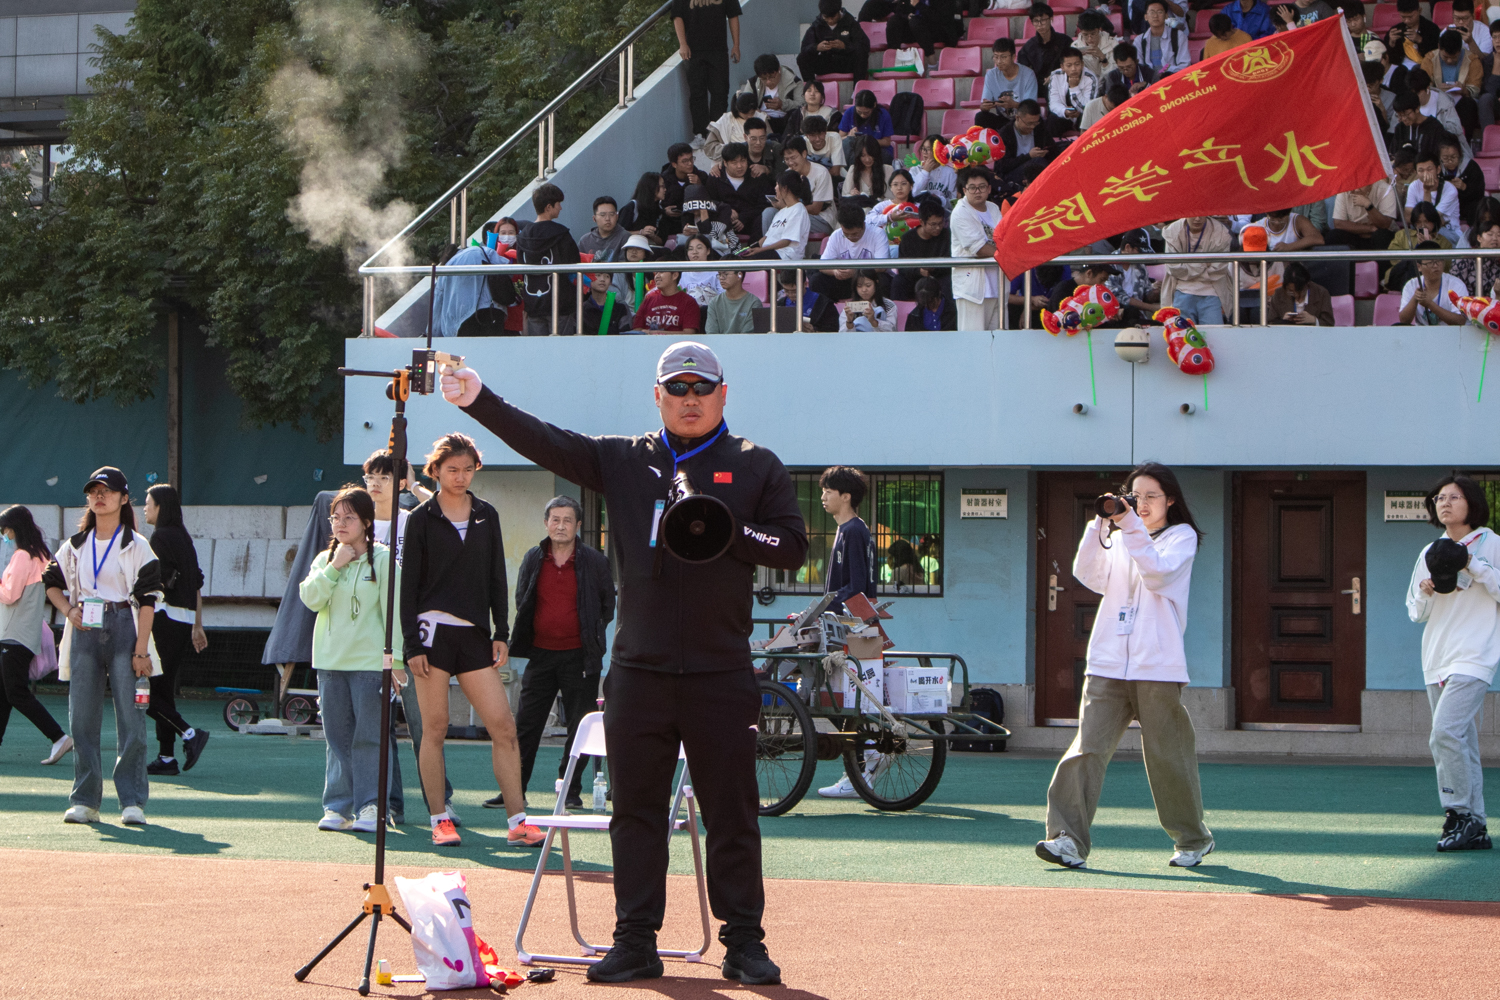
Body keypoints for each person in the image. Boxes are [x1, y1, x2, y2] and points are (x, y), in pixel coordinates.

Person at [437, 342, 808, 985]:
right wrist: (478, 399)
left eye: (702, 387)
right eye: (676, 388)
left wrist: (729, 530)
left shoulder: (756, 465)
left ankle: (744, 942)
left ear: (723, 395)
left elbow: (793, 548)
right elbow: (547, 442)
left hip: (721, 672)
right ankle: (635, 939)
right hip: (638, 671)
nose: (689, 398)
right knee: (633, 812)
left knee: (731, 810)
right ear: (657, 396)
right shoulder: (624, 459)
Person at [1036, 462, 1214, 870]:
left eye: (1153, 496)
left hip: (1157, 666)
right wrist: (1101, 526)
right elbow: (1089, 574)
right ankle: (1067, 840)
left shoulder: (1180, 538)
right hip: (1107, 662)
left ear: (1171, 499)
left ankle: (1192, 838)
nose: (1144, 504)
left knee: (1168, 755)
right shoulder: (1122, 534)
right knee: (1086, 749)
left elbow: (1156, 573)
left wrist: (1128, 524)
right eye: (1137, 496)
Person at [400, 433, 544, 849]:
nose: (460, 477)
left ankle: (518, 821)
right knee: (435, 728)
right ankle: (439, 819)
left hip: (475, 636)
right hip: (431, 634)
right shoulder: (422, 518)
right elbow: (408, 587)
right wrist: (412, 645)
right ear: (436, 471)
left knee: (503, 726)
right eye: (451, 470)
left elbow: (497, 575)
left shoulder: (487, 514)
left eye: (467, 469)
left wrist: (502, 632)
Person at [43, 468, 161, 826]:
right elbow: (50, 581)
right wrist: (68, 610)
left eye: (107, 491)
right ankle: (85, 801)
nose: (99, 496)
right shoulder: (76, 544)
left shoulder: (137, 544)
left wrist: (141, 650)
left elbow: (148, 600)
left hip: (126, 625)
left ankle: (132, 801)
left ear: (124, 499)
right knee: (81, 717)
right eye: (93, 491)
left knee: (131, 717)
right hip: (85, 629)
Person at [299, 486, 405, 833]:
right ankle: (337, 807)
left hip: (370, 665)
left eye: (349, 517)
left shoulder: (385, 559)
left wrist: (397, 662)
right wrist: (334, 566)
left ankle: (373, 807)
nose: (340, 524)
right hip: (329, 663)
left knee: (370, 738)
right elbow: (311, 599)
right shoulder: (324, 559)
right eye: (335, 517)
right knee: (337, 738)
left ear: (366, 521)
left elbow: (395, 614)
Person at [1406, 475, 1497, 852]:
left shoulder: (1491, 544)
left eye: (1453, 497)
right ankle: (1475, 825)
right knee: (1463, 742)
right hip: (1437, 658)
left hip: (1475, 656)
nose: (1444, 503)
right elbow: (1414, 612)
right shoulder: (1430, 550)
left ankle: (1456, 812)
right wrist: (1427, 594)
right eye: (1439, 498)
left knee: (1444, 732)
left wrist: (1473, 565)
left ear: (1471, 504)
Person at [509, 496, 615, 810]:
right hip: (541, 655)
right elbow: (522, 598)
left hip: (580, 657)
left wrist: (589, 634)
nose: (560, 526)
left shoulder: (594, 561)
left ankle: (569, 789)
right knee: (526, 725)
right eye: (555, 519)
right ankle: (515, 791)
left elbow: (607, 605)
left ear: (578, 525)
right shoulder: (534, 557)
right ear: (546, 523)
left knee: (579, 727)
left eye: (567, 520)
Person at [362, 451, 451, 823]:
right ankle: (390, 804)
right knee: (379, 729)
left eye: (385, 477)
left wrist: (415, 484)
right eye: (371, 478)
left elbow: (445, 510)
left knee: (423, 723)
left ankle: (441, 802)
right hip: (370, 638)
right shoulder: (359, 525)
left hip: (413, 637)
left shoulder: (411, 519)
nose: (376, 485)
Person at [140, 485, 210, 776]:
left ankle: (190, 734)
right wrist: (197, 624)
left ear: (160, 507)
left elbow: (151, 583)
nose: (144, 509)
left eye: (148, 504)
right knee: (163, 690)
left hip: (163, 620)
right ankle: (166, 758)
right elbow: (196, 582)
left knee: (143, 693)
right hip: (182, 622)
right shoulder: (183, 537)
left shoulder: (159, 537)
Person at [0, 505, 70, 765]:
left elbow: (9, 594)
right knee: (4, 691)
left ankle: (58, 737)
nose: (4, 534)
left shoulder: (21, 556)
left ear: (15, 528)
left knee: (15, 692)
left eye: (5, 529)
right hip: (25, 632)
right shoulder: (41, 554)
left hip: (13, 632)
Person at [673, 0, 741, 144]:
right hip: (693, 51)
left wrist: (736, 45)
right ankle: (700, 133)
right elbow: (677, 16)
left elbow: (733, 15)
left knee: (720, 91)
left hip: (719, 49)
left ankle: (716, 133)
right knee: (697, 93)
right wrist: (682, 44)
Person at [517, 183, 581, 336]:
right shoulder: (562, 234)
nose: (560, 208)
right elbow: (574, 263)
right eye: (558, 204)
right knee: (561, 352)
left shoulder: (523, 236)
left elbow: (520, 264)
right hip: (560, 304)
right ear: (548, 207)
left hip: (533, 304)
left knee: (538, 353)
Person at [950, 167, 1002, 330]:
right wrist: (1007, 256)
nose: (977, 191)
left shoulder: (993, 208)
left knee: (999, 341)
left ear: (989, 188)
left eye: (982, 186)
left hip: (997, 285)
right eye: (972, 187)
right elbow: (978, 248)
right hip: (972, 290)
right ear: (964, 190)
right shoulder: (960, 212)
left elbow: (1003, 238)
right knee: (973, 343)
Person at [1159, 216, 1232, 326]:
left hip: (1212, 293)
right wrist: (1204, 264)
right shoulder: (1172, 230)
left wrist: (1187, 266)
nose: (1197, 219)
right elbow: (1174, 268)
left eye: (1201, 215)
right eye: (1193, 215)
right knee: (1182, 338)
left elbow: (1218, 269)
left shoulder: (1221, 231)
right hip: (1182, 292)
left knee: (1215, 338)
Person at [812, 202, 891, 301]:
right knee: (817, 280)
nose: (850, 237)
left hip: (867, 280)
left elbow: (881, 266)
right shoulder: (836, 235)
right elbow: (822, 265)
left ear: (863, 225)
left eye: (855, 234)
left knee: (883, 280)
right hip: (845, 281)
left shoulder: (877, 234)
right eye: (846, 234)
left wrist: (856, 272)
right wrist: (835, 271)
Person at [708, 142, 775, 240]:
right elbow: (708, 201)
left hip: (751, 223)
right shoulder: (716, 177)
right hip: (725, 223)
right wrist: (726, 210)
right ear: (725, 163)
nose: (739, 166)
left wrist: (743, 218)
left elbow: (766, 204)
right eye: (734, 163)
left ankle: (754, 251)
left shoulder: (757, 176)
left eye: (743, 161)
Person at [1422, 30, 1482, 138]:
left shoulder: (1472, 60)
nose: (1449, 61)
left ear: (1460, 50)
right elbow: (1423, 87)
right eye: (1445, 57)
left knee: (1469, 105)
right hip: (1437, 99)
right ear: (1439, 47)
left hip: (1462, 101)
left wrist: (1464, 90)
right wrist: (1437, 89)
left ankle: (1465, 140)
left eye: (1454, 57)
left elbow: (1475, 89)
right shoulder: (1429, 59)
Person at [799, 0, 871, 84]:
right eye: (826, 17)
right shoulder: (816, 26)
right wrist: (816, 47)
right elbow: (804, 48)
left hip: (846, 62)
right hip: (826, 62)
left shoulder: (850, 22)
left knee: (861, 54)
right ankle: (812, 87)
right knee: (802, 58)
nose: (830, 21)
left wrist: (845, 46)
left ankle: (857, 91)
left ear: (839, 11)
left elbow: (864, 45)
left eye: (833, 17)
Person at [975, 38, 1040, 130]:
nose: (999, 61)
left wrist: (1013, 104)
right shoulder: (991, 75)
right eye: (996, 57)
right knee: (981, 117)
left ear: (1013, 57)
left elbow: (1031, 107)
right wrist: (985, 106)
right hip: (1003, 120)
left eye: (1003, 57)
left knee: (1036, 122)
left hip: (1022, 119)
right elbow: (984, 103)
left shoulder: (1028, 74)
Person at [747, 170, 812, 260]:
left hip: (785, 255)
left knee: (751, 261)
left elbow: (785, 242)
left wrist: (761, 250)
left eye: (777, 184)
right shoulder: (782, 211)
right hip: (770, 252)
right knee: (740, 258)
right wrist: (752, 248)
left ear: (785, 188)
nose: (775, 188)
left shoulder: (798, 210)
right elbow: (767, 237)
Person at [781, 136, 839, 235]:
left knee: (787, 222)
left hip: (821, 220)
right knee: (769, 213)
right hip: (795, 215)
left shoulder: (821, 173)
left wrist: (785, 207)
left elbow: (816, 209)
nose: (790, 163)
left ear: (804, 154)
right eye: (786, 159)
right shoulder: (787, 174)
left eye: (793, 158)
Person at [893, 201, 950, 299]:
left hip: (939, 277)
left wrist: (934, 269)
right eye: (933, 224)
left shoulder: (947, 235)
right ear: (922, 222)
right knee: (899, 281)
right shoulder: (908, 238)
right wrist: (919, 271)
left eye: (941, 223)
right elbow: (902, 267)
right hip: (915, 278)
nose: (938, 228)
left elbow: (950, 262)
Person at [1399, 245, 1467, 325]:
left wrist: (1430, 304)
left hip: (1450, 335)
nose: (1436, 266)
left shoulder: (1456, 284)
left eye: (1439, 261)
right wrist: (1415, 299)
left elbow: (1461, 321)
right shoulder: (1411, 285)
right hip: (1421, 335)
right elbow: (1404, 321)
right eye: (1430, 262)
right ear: (1419, 267)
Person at [736, 53, 802, 135]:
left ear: (779, 70)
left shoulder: (793, 82)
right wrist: (755, 110)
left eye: (772, 77)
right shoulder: (753, 82)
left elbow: (802, 105)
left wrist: (783, 104)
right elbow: (744, 101)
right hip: (761, 121)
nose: (768, 81)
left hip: (786, 121)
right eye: (763, 79)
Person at [995, 100, 1055, 189]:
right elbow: (1003, 166)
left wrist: (1047, 151)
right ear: (1018, 118)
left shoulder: (1039, 128)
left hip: (1037, 170)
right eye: (1029, 123)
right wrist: (1029, 156)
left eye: (1036, 123)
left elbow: (1053, 148)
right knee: (1038, 162)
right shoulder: (1005, 134)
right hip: (1011, 174)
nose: (1032, 127)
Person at [1045, 48, 1100, 139]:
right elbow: (1054, 103)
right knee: (1051, 121)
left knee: (1089, 119)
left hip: (1082, 116)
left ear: (1082, 64)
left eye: (1077, 64)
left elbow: (1088, 107)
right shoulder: (1055, 76)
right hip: (1064, 114)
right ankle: (1054, 149)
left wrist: (1074, 88)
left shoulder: (1090, 78)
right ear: (1062, 66)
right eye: (1069, 65)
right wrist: (1065, 111)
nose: (1074, 69)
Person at [1331, 178, 1399, 250]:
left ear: (1370, 185)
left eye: (1360, 186)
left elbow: (1385, 224)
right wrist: (1370, 228)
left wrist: (1368, 205)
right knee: (1334, 235)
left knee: (1381, 235)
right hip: (1356, 233)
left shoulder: (1385, 189)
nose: (1356, 190)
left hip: (1378, 234)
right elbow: (1338, 223)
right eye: (1353, 185)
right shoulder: (1344, 190)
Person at [633, 270, 703, 333]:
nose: (657, 276)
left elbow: (689, 334)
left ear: (675, 275)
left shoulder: (689, 302)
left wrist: (653, 333)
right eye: (656, 273)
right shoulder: (648, 301)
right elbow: (636, 331)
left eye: (661, 272)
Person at [1267, 261, 1335, 326]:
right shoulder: (1278, 294)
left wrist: (1314, 320)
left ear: (1307, 284)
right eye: (1291, 291)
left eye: (1300, 291)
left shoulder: (1321, 293)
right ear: (1285, 286)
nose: (1296, 295)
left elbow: (1329, 324)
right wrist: (1283, 321)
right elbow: (1270, 323)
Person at [1408, 68, 1466, 141]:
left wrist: (1435, 127)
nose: (1414, 97)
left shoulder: (1444, 102)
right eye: (1411, 93)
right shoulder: (1405, 102)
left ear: (1427, 88)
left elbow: (1456, 129)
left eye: (1417, 93)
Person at [838, 90, 896, 164]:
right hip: (856, 150)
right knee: (848, 154)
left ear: (874, 105)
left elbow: (887, 142)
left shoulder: (883, 114)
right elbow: (840, 138)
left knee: (883, 158)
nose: (862, 115)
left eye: (866, 112)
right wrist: (850, 137)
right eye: (859, 112)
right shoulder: (849, 113)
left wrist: (867, 141)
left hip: (877, 150)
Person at [1438, 135, 1486, 223]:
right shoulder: (1437, 169)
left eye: (1453, 157)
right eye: (1445, 158)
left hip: (1467, 209)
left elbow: (1479, 192)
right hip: (1445, 208)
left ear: (1460, 154)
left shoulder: (1471, 167)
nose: (1450, 161)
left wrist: (1465, 187)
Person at [1406, 153, 1462, 228]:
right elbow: (1407, 216)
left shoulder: (1450, 190)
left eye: (1429, 169)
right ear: (1416, 172)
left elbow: (1430, 220)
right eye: (1421, 170)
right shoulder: (1413, 186)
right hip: (1419, 228)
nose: (1425, 174)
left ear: (1438, 169)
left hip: (1447, 230)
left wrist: (1427, 191)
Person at [886, 0, 960, 55]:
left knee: (915, 21)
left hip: (940, 31)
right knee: (893, 21)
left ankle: (932, 61)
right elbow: (900, 11)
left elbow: (941, 18)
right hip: (916, 31)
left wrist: (919, 5)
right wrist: (907, 15)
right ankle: (893, 57)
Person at [1136, 0, 1190, 76]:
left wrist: (1167, 70)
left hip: (1172, 79)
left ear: (1166, 16)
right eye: (1152, 12)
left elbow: (1185, 66)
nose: (1155, 16)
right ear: (1146, 17)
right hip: (1150, 83)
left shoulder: (1178, 36)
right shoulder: (1139, 40)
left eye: (1160, 12)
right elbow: (1138, 68)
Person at [704, 91, 759, 165]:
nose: (749, 116)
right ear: (737, 109)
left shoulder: (760, 117)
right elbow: (709, 147)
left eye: (752, 113)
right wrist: (731, 150)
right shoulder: (725, 120)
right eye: (746, 113)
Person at [1019, 3, 1070, 81]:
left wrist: (1055, 76)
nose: (1040, 25)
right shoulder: (1029, 46)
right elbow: (1021, 69)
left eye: (1043, 20)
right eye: (1036, 21)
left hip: (1061, 83)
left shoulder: (1065, 41)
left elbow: (1072, 64)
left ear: (1051, 19)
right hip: (1038, 86)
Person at [1386, 0, 1440, 69]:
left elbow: (1435, 55)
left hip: (1425, 68)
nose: (1407, 21)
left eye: (1410, 17)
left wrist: (1420, 40)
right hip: (1401, 69)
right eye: (1403, 17)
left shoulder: (1432, 28)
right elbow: (1391, 60)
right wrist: (1391, 43)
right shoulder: (1395, 30)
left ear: (1419, 11)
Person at [619, 172, 668, 247]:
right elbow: (619, 233)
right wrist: (641, 232)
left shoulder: (660, 210)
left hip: (651, 249)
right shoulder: (632, 207)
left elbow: (662, 241)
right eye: (662, 186)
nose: (665, 189)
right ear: (652, 187)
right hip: (632, 248)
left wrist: (653, 236)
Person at [677, 233, 727, 306]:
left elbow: (723, 297)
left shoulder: (717, 272)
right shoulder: (685, 273)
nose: (695, 252)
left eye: (699, 248)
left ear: (708, 251)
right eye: (691, 249)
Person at [580, 196, 629, 266]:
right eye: (602, 215)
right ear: (594, 218)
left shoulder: (625, 237)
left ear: (617, 217)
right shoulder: (584, 241)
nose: (607, 219)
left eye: (612, 214)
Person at [583, 269, 635, 335]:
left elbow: (625, 335)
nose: (602, 279)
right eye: (598, 275)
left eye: (607, 276)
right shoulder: (582, 309)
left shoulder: (621, 309)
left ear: (610, 282)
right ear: (589, 279)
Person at [1070, 9, 1117, 79]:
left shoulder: (1112, 44)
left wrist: (1103, 59)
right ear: (1080, 32)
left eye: (1093, 34)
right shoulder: (1075, 46)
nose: (1089, 38)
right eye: (1085, 35)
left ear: (1099, 30)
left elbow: (1117, 75)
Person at [910, 134, 958, 203]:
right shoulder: (915, 170)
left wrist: (938, 200)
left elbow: (953, 200)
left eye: (928, 149)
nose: (924, 152)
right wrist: (925, 172)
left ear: (939, 151)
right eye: (923, 148)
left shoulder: (950, 172)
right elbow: (913, 193)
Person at [801, 116, 847, 183]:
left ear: (825, 132)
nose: (817, 139)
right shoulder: (803, 142)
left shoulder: (834, 138)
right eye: (813, 135)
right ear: (806, 135)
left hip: (833, 179)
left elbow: (835, 171)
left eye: (820, 134)